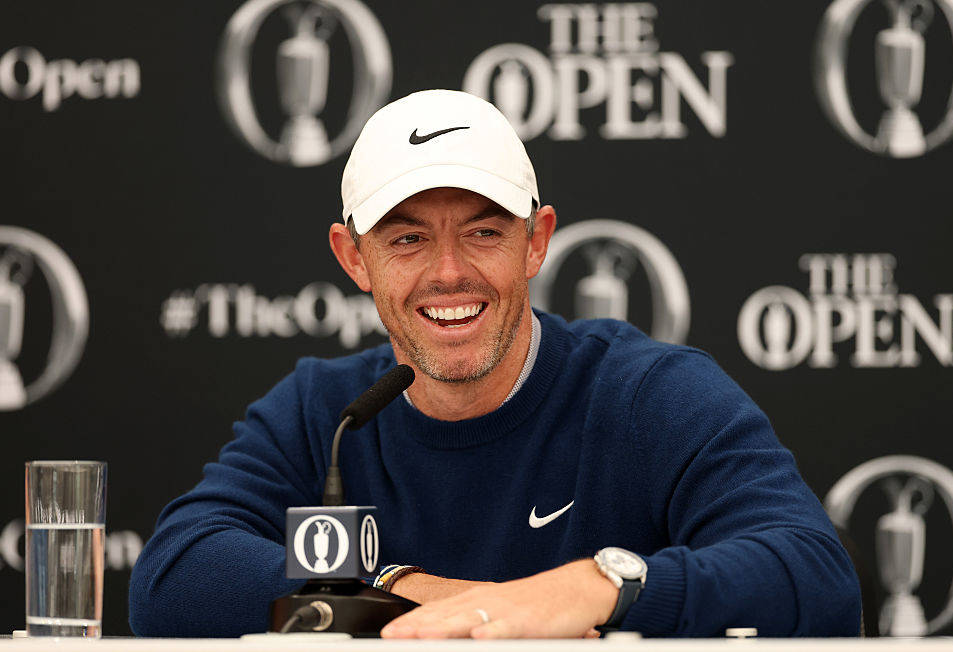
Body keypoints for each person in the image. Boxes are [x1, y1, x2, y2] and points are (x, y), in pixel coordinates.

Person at [129, 89, 860, 639]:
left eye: (482, 232)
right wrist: (405, 590)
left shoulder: (647, 393)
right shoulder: (327, 410)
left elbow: (818, 580)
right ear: (354, 257)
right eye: (407, 240)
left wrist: (598, 587)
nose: (449, 273)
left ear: (536, 242)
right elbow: (173, 578)